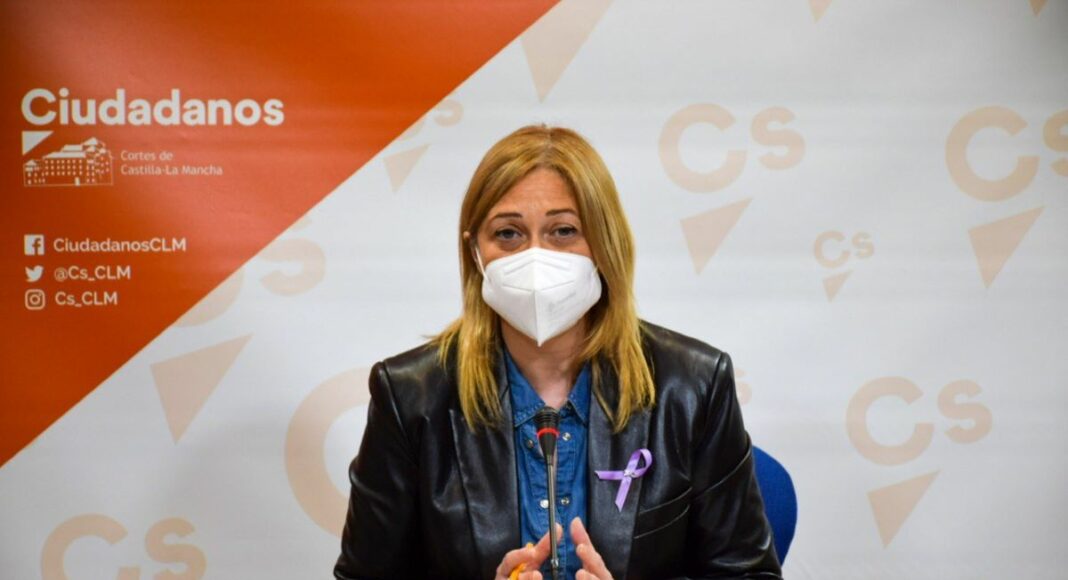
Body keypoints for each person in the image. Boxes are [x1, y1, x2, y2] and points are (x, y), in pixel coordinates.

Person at [334, 125, 782, 579]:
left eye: (563, 231)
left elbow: (749, 575)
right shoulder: (410, 396)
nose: (535, 256)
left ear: (604, 243)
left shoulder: (691, 387)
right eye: (508, 233)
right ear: (475, 252)